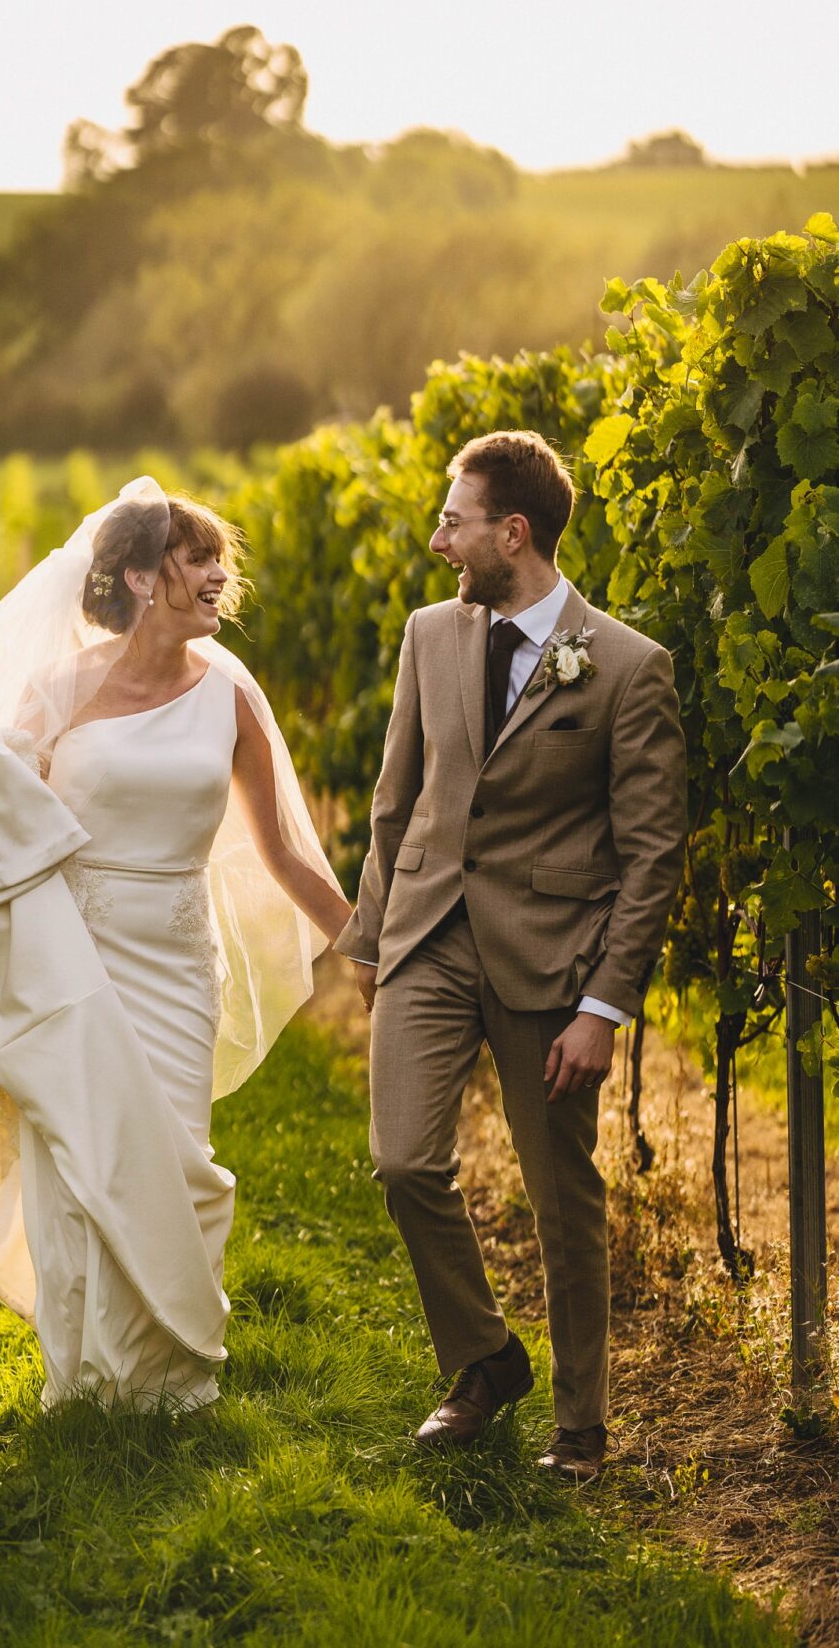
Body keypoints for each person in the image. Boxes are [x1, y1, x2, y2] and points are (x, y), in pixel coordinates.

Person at [0, 478, 350, 1412]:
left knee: (169, 1155)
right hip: (76, 959)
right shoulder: (60, 692)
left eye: (218, 560)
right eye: (195, 559)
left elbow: (284, 848)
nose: (218, 576)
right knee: (75, 1161)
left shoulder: (233, 695)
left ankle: (165, 1377)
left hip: (177, 958)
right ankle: (84, 1380)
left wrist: (365, 943)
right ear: (136, 576)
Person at [334, 431, 686, 1482]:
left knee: (558, 1194)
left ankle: (579, 1425)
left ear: (511, 533)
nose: (437, 536)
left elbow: (651, 853)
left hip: (550, 963)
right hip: (428, 939)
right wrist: (368, 932)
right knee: (402, 1159)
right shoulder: (428, 635)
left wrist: (604, 1005)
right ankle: (484, 1357)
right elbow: (396, 799)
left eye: (453, 520)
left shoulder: (626, 667)